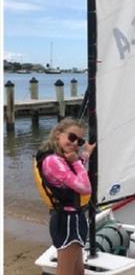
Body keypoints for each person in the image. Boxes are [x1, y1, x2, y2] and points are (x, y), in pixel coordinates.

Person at [35, 117, 96, 275]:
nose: (75, 143)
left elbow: (70, 174)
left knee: (77, 271)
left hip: (71, 218)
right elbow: (85, 188)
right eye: (72, 137)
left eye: (79, 141)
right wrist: (77, 161)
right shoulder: (53, 161)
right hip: (67, 220)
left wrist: (86, 154)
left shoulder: (58, 159)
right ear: (57, 134)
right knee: (67, 271)